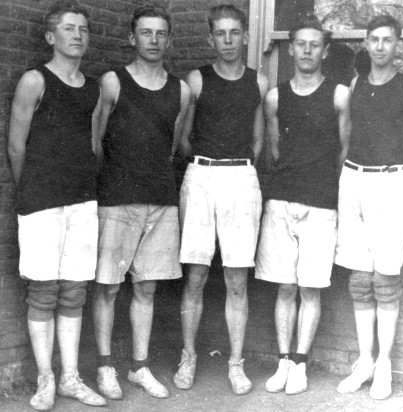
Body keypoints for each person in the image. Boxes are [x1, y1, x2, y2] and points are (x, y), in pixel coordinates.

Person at [7, 1, 107, 410]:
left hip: (82, 201)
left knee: (74, 290)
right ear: (51, 36)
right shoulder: (34, 80)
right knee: (43, 291)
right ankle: (45, 379)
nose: (78, 35)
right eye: (69, 28)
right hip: (41, 202)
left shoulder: (96, 88)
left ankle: (69, 377)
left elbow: (94, 145)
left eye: (83, 29)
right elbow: (16, 146)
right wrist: (31, 191)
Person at [92, 4, 190, 401]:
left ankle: (139, 366)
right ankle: (104, 366)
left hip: (160, 199)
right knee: (108, 287)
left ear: (168, 39)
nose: (153, 40)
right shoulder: (113, 82)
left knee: (146, 288)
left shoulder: (179, 90)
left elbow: (171, 146)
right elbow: (95, 142)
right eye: (145, 33)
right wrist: (114, 180)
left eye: (160, 33)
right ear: (132, 38)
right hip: (118, 198)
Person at [173, 4, 268, 396]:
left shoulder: (258, 83)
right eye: (221, 34)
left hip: (241, 176)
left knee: (236, 277)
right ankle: (189, 355)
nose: (228, 41)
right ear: (211, 38)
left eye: (235, 33)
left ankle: (235, 362)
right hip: (201, 175)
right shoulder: (197, 80)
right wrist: (207, 164)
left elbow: (260, 140)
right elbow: (182, 136)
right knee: (195, 273)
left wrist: (236, 167)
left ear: (245, 36)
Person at [255, 14, 351, 395]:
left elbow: (344, 149)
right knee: (285, 287)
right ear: (290, 48)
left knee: (311, 288)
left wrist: (324, 186)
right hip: (282, 199)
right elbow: (275, 149)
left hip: (322, 201)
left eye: (315, 44)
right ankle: (282, 361)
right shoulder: (275, 97)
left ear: (325, 51)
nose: (307, 50)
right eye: (301, 44)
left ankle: (301, 364)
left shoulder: (339, 94)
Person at [335, 14, 403, 400]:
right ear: (366, 44)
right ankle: (365, 360)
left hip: (392, 181)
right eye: (375, 39)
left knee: (386, 279)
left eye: (389, 40)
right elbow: (349, 135)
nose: (381, 46)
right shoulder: (354, 84)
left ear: (398, 46)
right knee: (359, 278)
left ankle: (384, 362)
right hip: (355, 179)